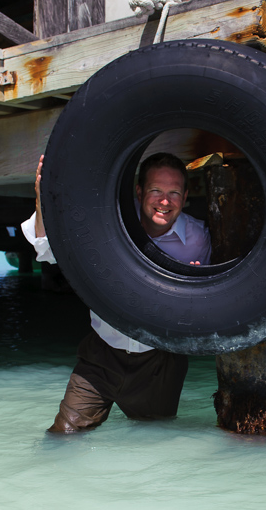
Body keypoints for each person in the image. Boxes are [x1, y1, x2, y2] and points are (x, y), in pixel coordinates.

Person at [22, 152, 212, 433]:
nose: (164, 201)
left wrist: (193, 291)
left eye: (174, 192)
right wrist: (42, 198)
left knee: (155, 442)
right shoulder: (109, 223)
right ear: (138, 192)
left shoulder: (198, 239)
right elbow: (46, 250)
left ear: (185, 197)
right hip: (101, 356)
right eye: (156, 191)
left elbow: (209, 309)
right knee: (62, 436)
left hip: (160, 363)